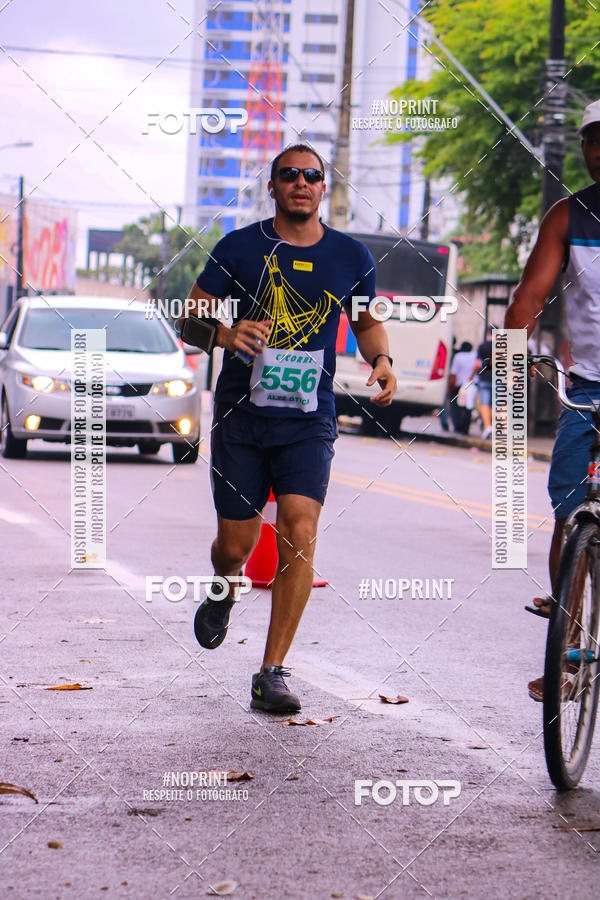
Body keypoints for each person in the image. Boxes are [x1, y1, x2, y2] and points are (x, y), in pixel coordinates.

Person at [184, 143, 397, 713]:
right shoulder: (239, 246)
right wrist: (226, 335)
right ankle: (224, 587)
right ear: (273, 186)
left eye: (311, 175)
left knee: (300, 530)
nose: (301, 183)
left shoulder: (351, 255)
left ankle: (271, 672)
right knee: (236, 545)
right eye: (289, 175)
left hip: (308, 420)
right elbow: (189, 319)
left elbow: (366, 324)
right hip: (242, 416)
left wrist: (381, 359)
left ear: (324, 187)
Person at [504, 99, 600, 701]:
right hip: (588, 386)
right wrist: (511, 355)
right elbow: (529, 294)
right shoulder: (569, 215)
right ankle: (569, 646)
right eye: (594, 140)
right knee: (569, 509)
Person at [470, 326, 493, 439]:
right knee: (498, 404)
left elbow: (477, 364)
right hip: (500, 379)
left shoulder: (483, 346)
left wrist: (471, 376)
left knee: (485, 404)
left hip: (485, 379)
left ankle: (488, 427)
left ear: (488, 333)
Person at [448, 340, 476, 434]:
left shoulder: (458, 356)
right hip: (471, 385)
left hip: (459, 385)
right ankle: (466, 428)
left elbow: (454, 373)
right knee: (469, 406)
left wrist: (450, 386)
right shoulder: (474, 355)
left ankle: (458, 425)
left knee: (457, 406)